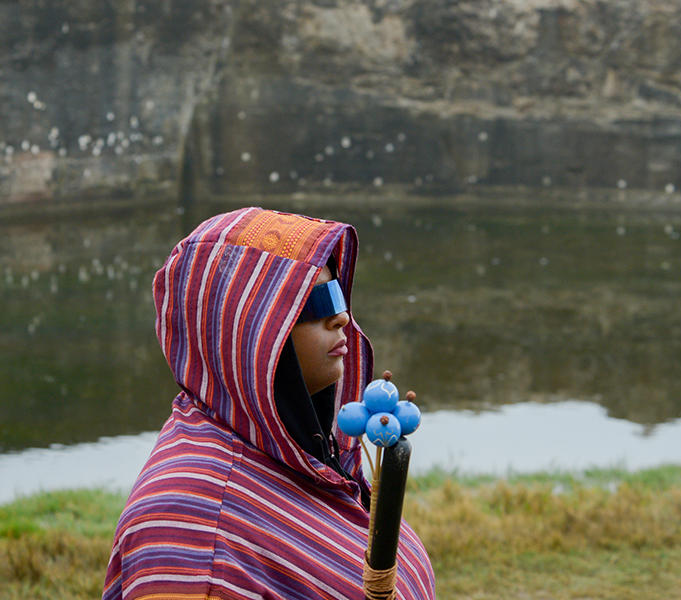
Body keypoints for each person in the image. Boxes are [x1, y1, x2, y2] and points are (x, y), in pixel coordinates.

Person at [103, 207, 435, 599]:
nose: (342, 318)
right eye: (315, 303)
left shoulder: (295, 451)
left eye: (338, 294)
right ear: (246, 329)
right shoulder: (190, 527)